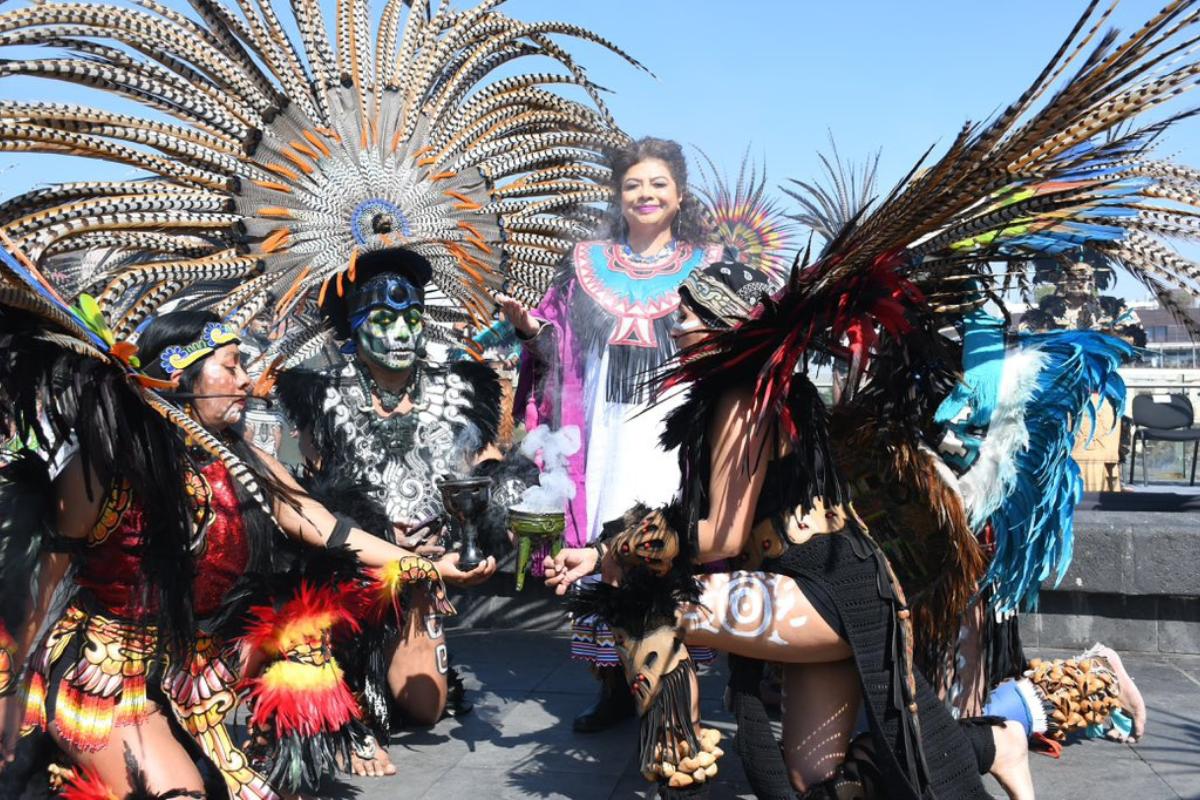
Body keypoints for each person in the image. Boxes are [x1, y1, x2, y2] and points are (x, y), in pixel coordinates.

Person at [546, 261, 1034, 799]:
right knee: (816, 781)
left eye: (687, 312)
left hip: (822, 589)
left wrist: (625, 553)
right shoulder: (749, 392)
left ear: (723, 323)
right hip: (844, 589)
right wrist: (600, 551)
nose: (676, 323)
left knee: (650, 608)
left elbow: (722, 537)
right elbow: (692, 515)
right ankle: (993, 743)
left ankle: (678, 780)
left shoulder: (741, 399)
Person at [0, 309, 476, 798]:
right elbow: (35, 584)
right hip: (106, 673)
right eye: (230, 367)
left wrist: (420, 563)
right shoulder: (108, 464)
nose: (246, 380)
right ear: (178, 376)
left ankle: (301, 746)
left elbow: (323, 527)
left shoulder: (240, 459)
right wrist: (6, 690)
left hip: (201, 661)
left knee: (303, 633)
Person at [502, 136, 722, 732]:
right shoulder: (582, 267)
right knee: (599, 542)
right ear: (618, 196)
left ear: (679, 195)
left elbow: (735, 342)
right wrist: (528, 330)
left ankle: (673, 685)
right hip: (600, 430)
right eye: (632, 185)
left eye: (657, 184)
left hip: (671, 430)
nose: (645, 194)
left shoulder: (710, 266)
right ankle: (613, 686)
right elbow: (555, 356)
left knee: (666, 540)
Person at [276, 247, 509, 776]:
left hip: (429, 571)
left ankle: (405, 646)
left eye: (411, 319)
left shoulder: (459, 386)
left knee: (425, 710)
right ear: (356, 328)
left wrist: (484, 528)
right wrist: (380, 543)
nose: (401, 333)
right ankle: (344, 684)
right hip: (355, 569)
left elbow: (488, 469)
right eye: (384, 319)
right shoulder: (321, 394)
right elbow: (312, 495)